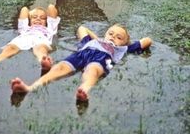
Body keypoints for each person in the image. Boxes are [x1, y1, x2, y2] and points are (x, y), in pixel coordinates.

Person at [10, 23, 152, 103]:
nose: (113, 37)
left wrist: (126, 43)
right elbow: (82, 28)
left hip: (103, 59)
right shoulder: (91, 41)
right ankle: (30, 87)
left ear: (124, 42)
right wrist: (98, 39)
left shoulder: (121, 49)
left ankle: (84, 90)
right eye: (110, 33)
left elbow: (147, 41)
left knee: (92, 71)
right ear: (105, 34)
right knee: (60, 67)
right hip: (82, 53)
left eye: (119, 37)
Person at [0, 4, 60, 79]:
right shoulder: (24, 28)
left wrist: (40, 12)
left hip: (41, 38)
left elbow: (51, 8)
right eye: (34, 17)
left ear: (46, 22)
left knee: (40, 48)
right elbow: (24, 9)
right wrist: (31, 13)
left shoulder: (50, 28)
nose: (38, 19)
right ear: (29, 21)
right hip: (24, 37)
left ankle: (43, 62)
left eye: (42, 18)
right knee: (11, 47)